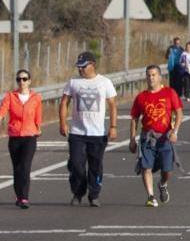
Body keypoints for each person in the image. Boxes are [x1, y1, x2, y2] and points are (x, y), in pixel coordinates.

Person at [59, 51, 118, 206]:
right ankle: (78, 193)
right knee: (76, 164)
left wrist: (113, 126)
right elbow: (64, 102)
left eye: (83, 67)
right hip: (77, 132)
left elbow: (112, 105)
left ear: (92, 65)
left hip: (97, 133)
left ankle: (94, 194)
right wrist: (63, 123)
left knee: (95, 165)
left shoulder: (104, 82)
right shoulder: (73, 82)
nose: (81, 70)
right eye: (79, 67)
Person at [129, 65, 182, 207]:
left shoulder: (169, 93)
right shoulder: (141, 97)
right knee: (146, 167)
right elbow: (134, 118)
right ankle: (151, 196)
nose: (151, 78)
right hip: (148, 138)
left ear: (159, 77)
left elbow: (179, 113)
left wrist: (174, 131)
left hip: (165, 138)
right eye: (148, 75)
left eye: (153, 75)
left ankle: (163, 184)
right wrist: (132, 139)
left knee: (167, 170)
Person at [0, 69, 42, 209]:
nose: (22, 82)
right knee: (17, 168)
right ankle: (19, 195)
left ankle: (24, 197)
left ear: (29, 81)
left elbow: (38, 114)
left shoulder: (36, 97)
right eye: (19, 79)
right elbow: (3, 109)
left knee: (25, 166)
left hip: (30, 136)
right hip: (15, 136)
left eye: (24, 79)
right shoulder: (11, 96)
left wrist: (38, 127)